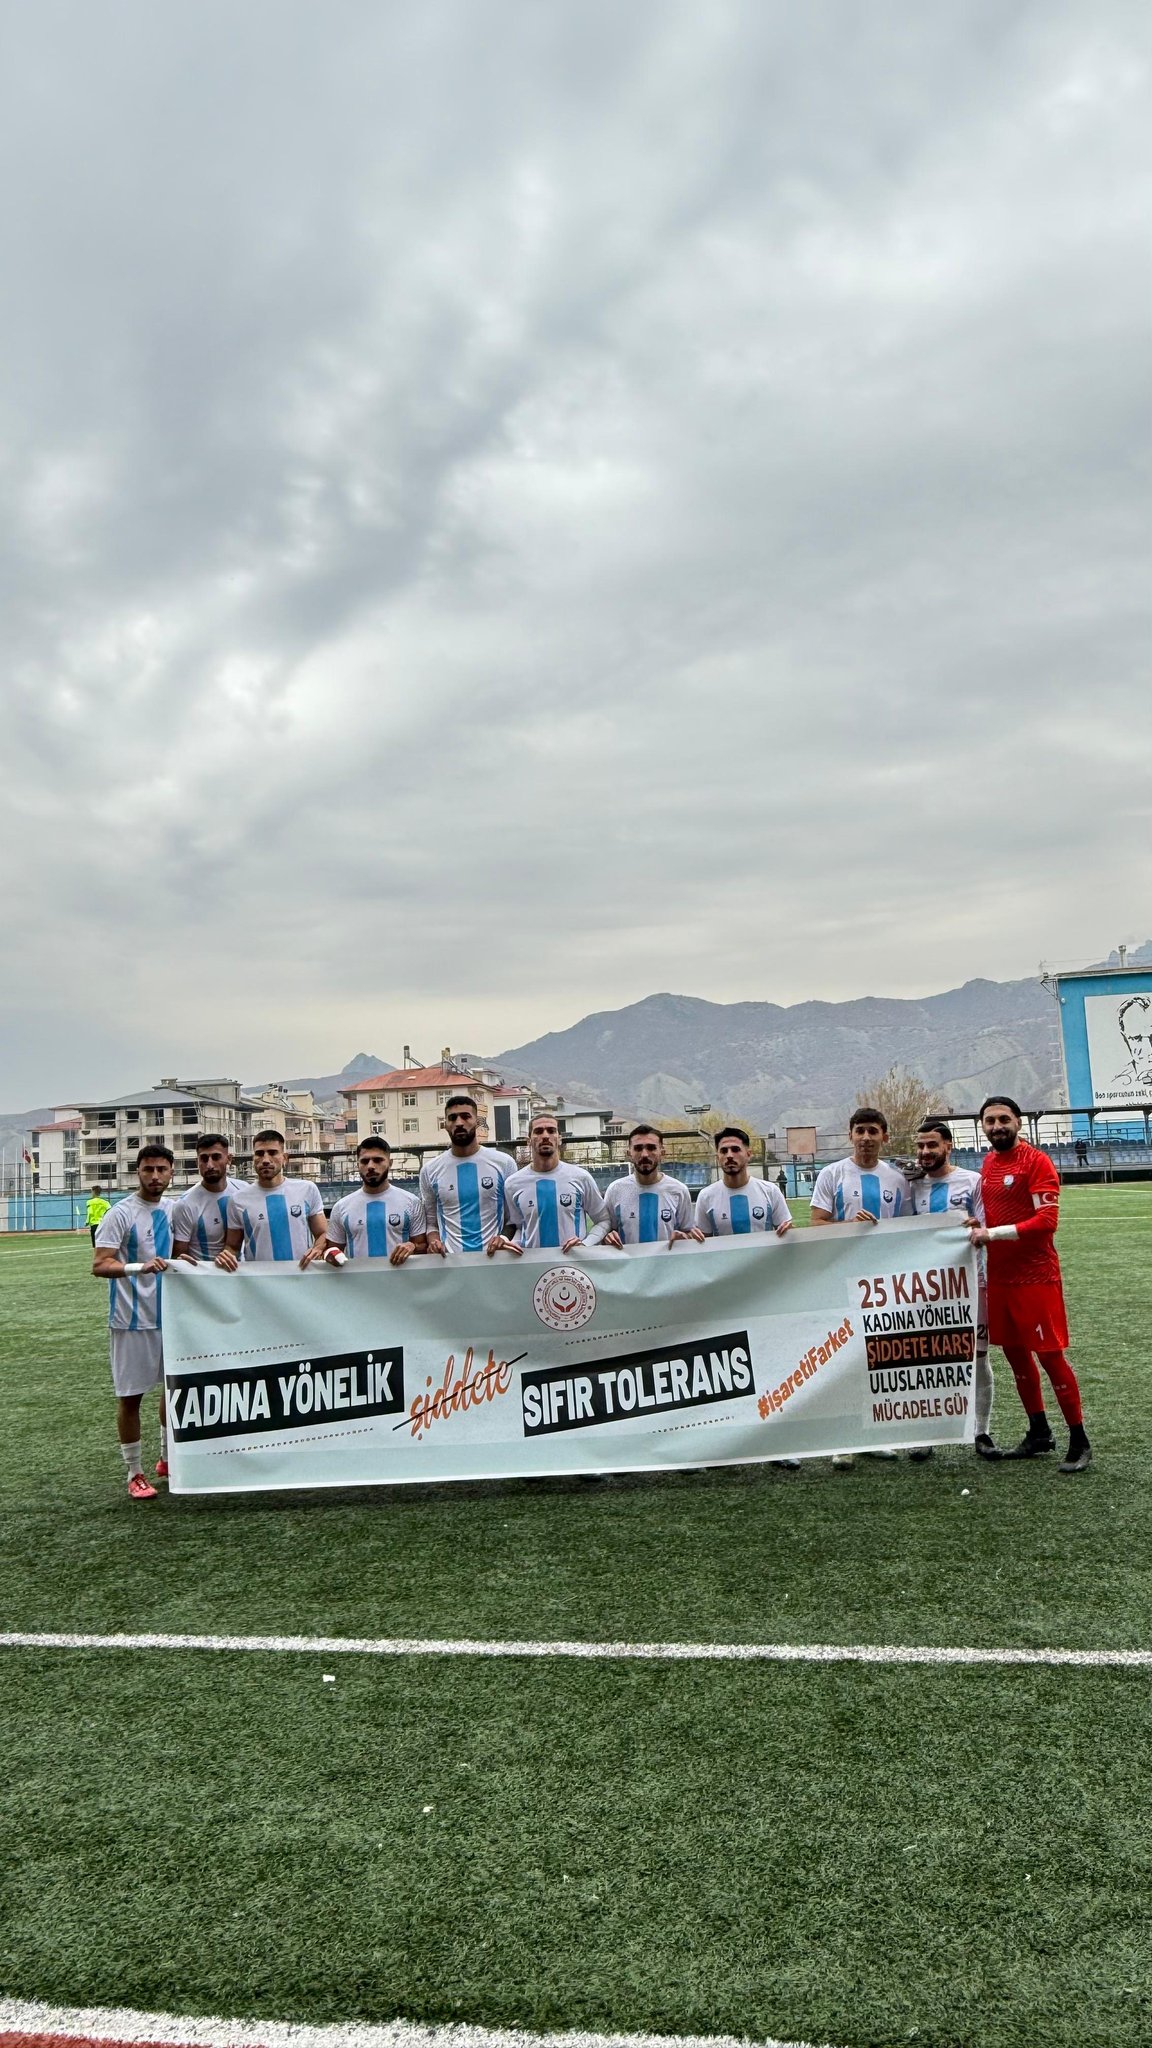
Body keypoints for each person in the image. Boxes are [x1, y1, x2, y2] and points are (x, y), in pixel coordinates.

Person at [966, 1096, 1091, 1474]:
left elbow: (1045, 1223)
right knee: (1016, 1356)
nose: (996, 1126)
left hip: (1036, 1278)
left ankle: (1079, 1439)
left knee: (1050, 1357)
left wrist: (992, 1234)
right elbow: (990, 1216)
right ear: (982, 1126)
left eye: (1004, 1119)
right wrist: (977, 1227)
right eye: (989, 1121)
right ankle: (1039, 1431)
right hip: (1001, 1279)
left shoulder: (1037, 1162)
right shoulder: (987, 1164)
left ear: (1018, 1122)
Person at [810, 1108, 913, 1469]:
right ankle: (843, 1439)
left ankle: (874, 1436)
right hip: (841, 1278)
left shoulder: (897, 1180)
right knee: (843, 1360)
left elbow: (909, 1232)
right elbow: (817, 1224)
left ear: (885, 1136)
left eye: (873, 1131)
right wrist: (848, 1226)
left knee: (878, 1360)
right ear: (850, 1135)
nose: (866, 1137)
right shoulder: (832, 1174)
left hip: (883, 1284)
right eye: (860, 1131)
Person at [907, 1119, 997, 1460]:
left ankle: (981, 1431)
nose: (925, 1152)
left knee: (978, 1356)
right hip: (925, 1288)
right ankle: (926, 1432)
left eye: (932, 1145)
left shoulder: (972, 1181)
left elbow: (988, 1223)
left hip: (972, 1283)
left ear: (948, 1146)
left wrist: (978, 1226)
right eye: (920, 1146)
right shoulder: (910, 1186)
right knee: (927, 1357)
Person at [91, 1145, 175, 1499]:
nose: (154, 1176)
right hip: (131, 1321)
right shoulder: (120, 1213)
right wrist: (138, 1267)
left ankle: (167, 1458)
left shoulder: (175, 1209)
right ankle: (134, 1472)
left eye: (161, 1169)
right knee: (131, 1397)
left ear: (172, 1172)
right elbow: (100, 1264)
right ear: (137, 1171)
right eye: (147, 1169)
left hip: (171, 1318)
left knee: (172, 1390)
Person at [489, 1112, 609, 1253]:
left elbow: (603, 1220)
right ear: (529, 1141)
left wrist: (585, 1245)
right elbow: (519, 1227)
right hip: (532, 1267)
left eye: (551, 1131)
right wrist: (509, 1242)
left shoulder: (581, 1177)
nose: (545, 1136)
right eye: (538, 1131)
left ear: (559, 1139)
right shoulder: (513, 1184)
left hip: (571, 1269)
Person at [420, 1096, 518, 1255]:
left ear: (477, 1121)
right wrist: (434, 1242)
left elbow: (513, 1218)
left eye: (466, 1116)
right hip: (451, 1265)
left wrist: (504, 1238)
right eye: (452, 1118)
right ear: (445, 1125)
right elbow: (431, 1223)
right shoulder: (430, 1170)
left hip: (493, 1261)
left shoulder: (504, 1163)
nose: (459, 1122)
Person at [223, 1130, 328, 1266]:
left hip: (302, 1278)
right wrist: (225, 1257)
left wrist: (317, 1249)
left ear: (285, 1157)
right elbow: (232, 1247)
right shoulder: (238, 1199)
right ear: (253, 1158)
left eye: (272, 1153)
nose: (266, 1160)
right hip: (262, 1282)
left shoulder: (307, 1189)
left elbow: (323, 1233)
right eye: (259, 1154)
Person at [326, 1137, 429, 1264]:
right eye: (364, 1161)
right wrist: (328, 1254)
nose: (370, 1166)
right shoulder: (341, 1207)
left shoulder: (411, 1202)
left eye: (377, 1160)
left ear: (390, 1163)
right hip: (358, 1282)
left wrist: (412, 1246)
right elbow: (333, 1250)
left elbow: (422, 1246)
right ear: (358, 1164)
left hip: (400, 1282)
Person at [602, 1126, 701, 1246]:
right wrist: (607, 1237)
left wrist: (686, 1236)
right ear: (629, 1154)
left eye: (651, 1148)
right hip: (630, 1264)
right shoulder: (615, 1190)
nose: (644, 1154)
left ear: (662, 1152)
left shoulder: (679, 1190)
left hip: (667, 1264)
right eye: (638, 1148)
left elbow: (689, 1231)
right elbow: (606, 1234)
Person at [695, 1128, 793, 1238]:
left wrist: (789, 1230)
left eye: (735, 1149)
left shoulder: (770, 1191)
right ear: (718, 1157)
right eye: (724, 1151)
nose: (729, 1155)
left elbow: (786, 1234)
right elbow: (702, 1244)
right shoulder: (706, 1196)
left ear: (748, 1154)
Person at [171, 1135, 248, 1271]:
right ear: (197, 1162)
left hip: (241, 1278)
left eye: (216, 1157)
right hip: (205, 1283)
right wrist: (182, 1262)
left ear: (228, 1159)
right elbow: (179, 1256)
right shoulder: (185, 1204)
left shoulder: (244, 1191)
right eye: (204, 1159)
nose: (210, 1165)